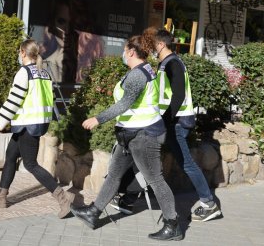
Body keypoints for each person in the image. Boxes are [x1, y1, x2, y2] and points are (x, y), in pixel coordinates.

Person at [70, 35, 183, 241]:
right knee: (113, 174)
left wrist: (98, 118)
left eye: (124, 50)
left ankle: (172, 224)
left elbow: (125, 104)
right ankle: (93, 213)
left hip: (144, 136)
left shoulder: (138, 75)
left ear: (131, 52)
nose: (123, 53)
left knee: (155, 180)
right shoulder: (146, 69)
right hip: (129, 134)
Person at [0, 39, 75, 219]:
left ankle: (63, 199)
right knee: (10, 156)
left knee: (30, 164)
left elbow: (14, 100)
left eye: (19, 52)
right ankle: (0, 197)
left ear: (23, 53)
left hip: (27, 125)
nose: (18, 55)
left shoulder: (24, 73)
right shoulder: (44, 73)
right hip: (34, 124)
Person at [150, 28, 222, 222]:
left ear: (161, 44)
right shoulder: (167, 63)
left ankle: (209, 203)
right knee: (154, 156)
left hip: (177, 123)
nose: (151, 48)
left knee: (187, 164)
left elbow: (178, 95)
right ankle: (131, 196)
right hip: (174, 122)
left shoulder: (173, 63)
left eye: (153, 44)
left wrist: (165, 120)